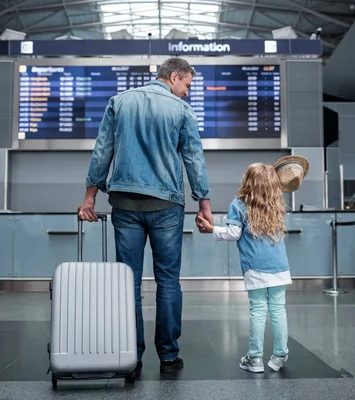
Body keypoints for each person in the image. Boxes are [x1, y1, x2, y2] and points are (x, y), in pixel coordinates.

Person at [78, 57, 213, 374]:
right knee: (168, 281)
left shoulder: (119, 102)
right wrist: (204, 203)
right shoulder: (180, 111)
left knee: (128, 283)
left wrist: (89, 196)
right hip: (166, 206)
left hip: (125, 205)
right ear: (174, 76)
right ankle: (168, 355)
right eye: (187, 86)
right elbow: (194, 158)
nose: (186, 93)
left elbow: (103, 150)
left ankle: (131, 353)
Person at [196, 163, 292, 373]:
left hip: (255, 268)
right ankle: (280, 353)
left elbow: (233, 233)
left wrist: (212, 228)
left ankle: (255, 358)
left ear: (247, 181)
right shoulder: (276, 203)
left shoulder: (239, 205)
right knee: (278, 309)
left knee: (258, 310)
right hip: (280, 267)